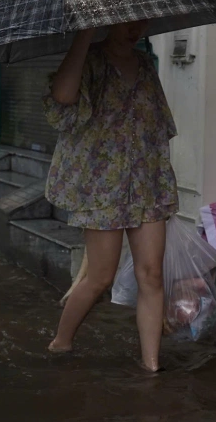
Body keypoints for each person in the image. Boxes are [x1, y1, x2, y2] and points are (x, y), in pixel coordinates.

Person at [43, 21, 178, 371]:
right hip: (102, 187)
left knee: (151, 276)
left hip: (146, 185)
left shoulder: (146, 65)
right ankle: (61, 342)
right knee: (100, 277)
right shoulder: (90, 60)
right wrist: (84, 36)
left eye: (141, 21)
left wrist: (163, 183)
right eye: (126, 22)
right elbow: (62, 97)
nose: (135, 29)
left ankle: (151, 366)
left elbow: (157, 127)